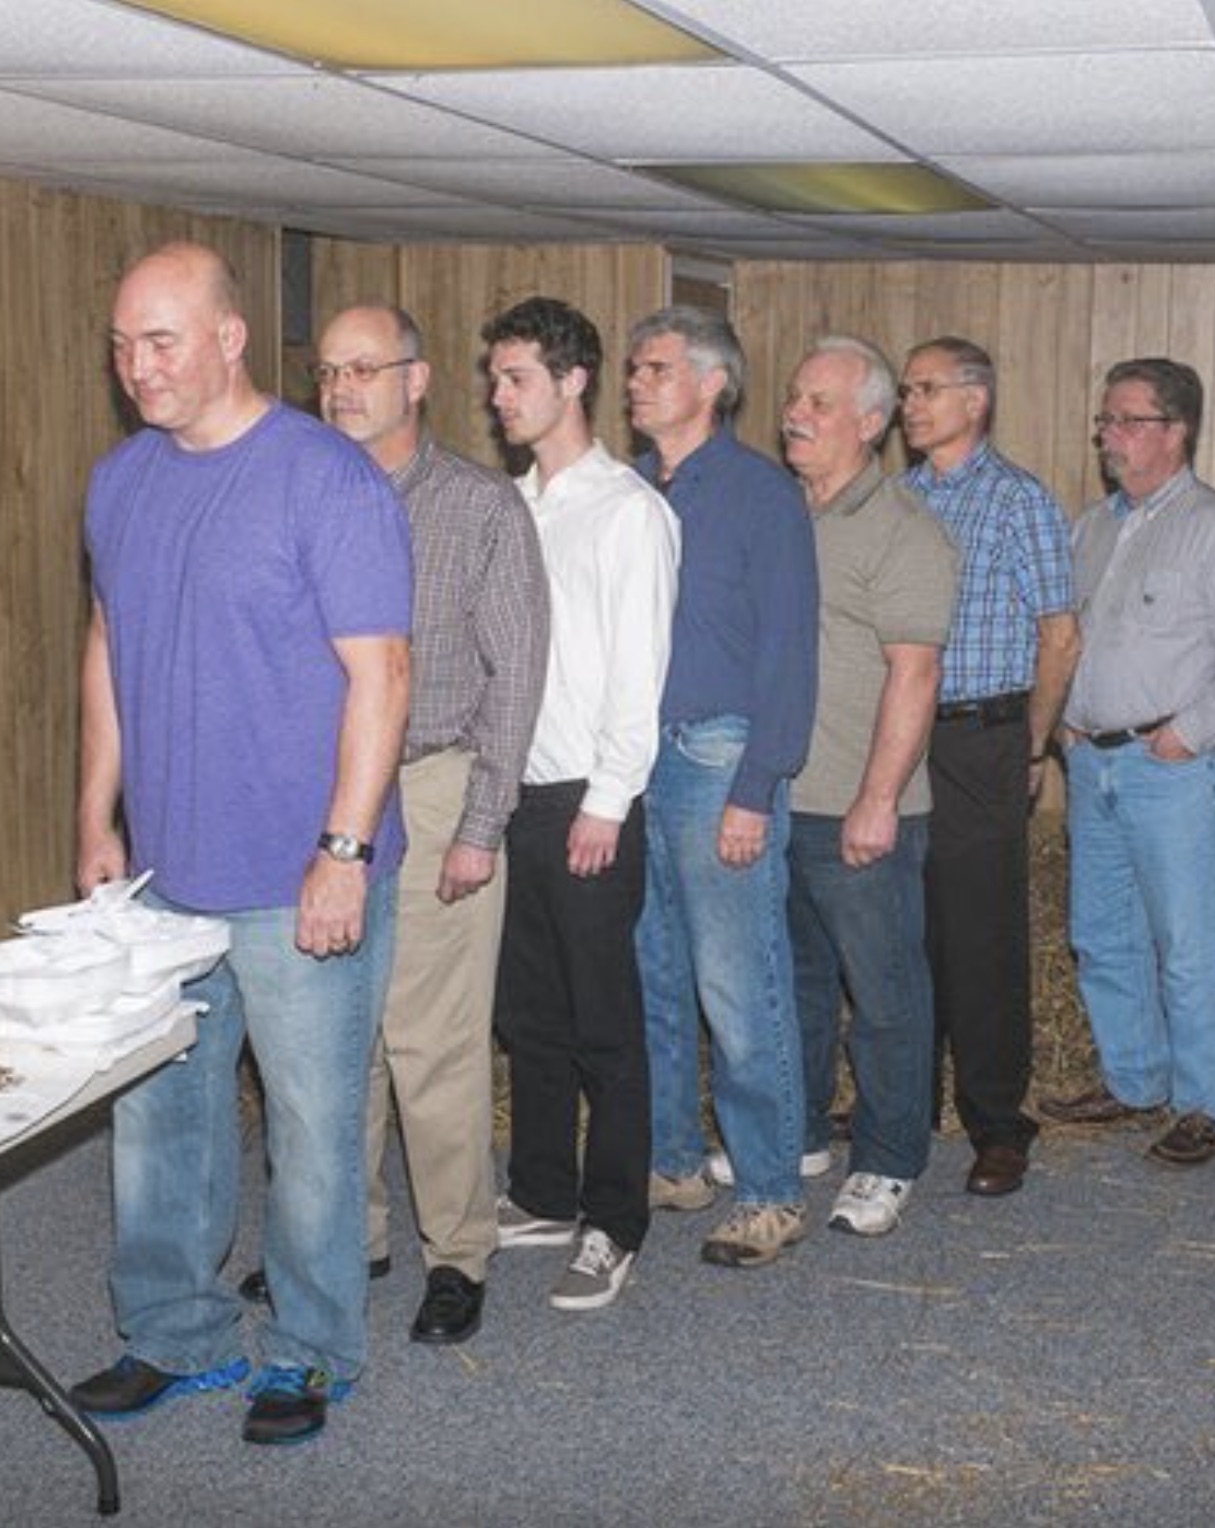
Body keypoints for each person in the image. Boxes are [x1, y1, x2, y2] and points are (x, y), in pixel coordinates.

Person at [69, 242, 413, 1446]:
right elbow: (109, 649)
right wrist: (95, 816)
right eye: (121, 344)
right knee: (159, 1116)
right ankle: (175, 1329)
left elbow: (383, 676)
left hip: (297, 870)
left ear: (228, 339)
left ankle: (312, 1351)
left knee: (315, 1126)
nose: (135, 366)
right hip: (167, 876)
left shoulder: (327, 481)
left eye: (159, 340)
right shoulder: (119, 484)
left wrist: (344, 848)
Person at [298, 303, 549, 1345]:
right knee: (329, 1041)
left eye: (366, 368)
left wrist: (481, 825)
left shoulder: (481, 507)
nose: (343, 387)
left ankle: (459, 1253)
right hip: (319, 799)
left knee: (432, 1044)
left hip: (438, 786)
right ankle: (346, 1243)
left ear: (418, 378)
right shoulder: (299, 495)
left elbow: (518, 677)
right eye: (327, 371)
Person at [483, 296, 679, 1311]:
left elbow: (637, 678)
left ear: (573, 382)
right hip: (511, 797)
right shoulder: (511, 505)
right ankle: (546, 1190)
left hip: (588, 804)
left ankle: (615, 1222)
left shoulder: (630, 513)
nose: (498, 395)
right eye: (495, 377)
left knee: (606, 1021)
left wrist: (609, 802)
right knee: (530, 1015)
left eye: (516, 377)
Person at [1051, 357, 1215, 1168]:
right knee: (1102, 934)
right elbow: (1067, 636)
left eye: (1125, 420)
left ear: (1173, 431)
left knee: (1190, 945)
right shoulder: (1093, 527)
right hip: (1096, 763)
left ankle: (1204, 1103)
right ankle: (1134, 1079)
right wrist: (1065, 725)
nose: (1106, 435)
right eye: (1106, 420)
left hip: (1176, 770)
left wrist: (1194, 733)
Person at [625, 306, 822, 1266]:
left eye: (656, 368)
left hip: (717, 760)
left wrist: (758, 786)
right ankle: (671, 1160)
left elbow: (791, 651)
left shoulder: (757, 494)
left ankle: (772, 1189)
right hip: (633, 759)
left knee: (738, 984)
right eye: (634, 368)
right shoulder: (630, 490)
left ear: (712, 384)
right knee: (651, 970)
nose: (635, 382)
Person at [785, 335, 959, 1240]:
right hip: (782, 799)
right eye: (796, 398)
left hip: (859, 806)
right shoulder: (790, 514)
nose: (795, 414)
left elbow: (916, 675)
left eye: (819, 402)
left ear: (872, 421)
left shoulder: (902, 529)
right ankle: (805, 1130)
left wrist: (878, 799)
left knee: (886, 993)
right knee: (800, 983)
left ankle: (889, 1159)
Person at [900, 337, 1078, 1199]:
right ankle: (908, 1104)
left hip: (981, 737)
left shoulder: (1018, 500)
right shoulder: (898, 498)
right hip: (902, 733)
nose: (911, 403)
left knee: (982, 938)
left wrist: (1031, 744)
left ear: (976, 401)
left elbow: (1060, 633)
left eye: (928, 389)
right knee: (903, 926)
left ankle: (999, 1123)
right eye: (906, 390)